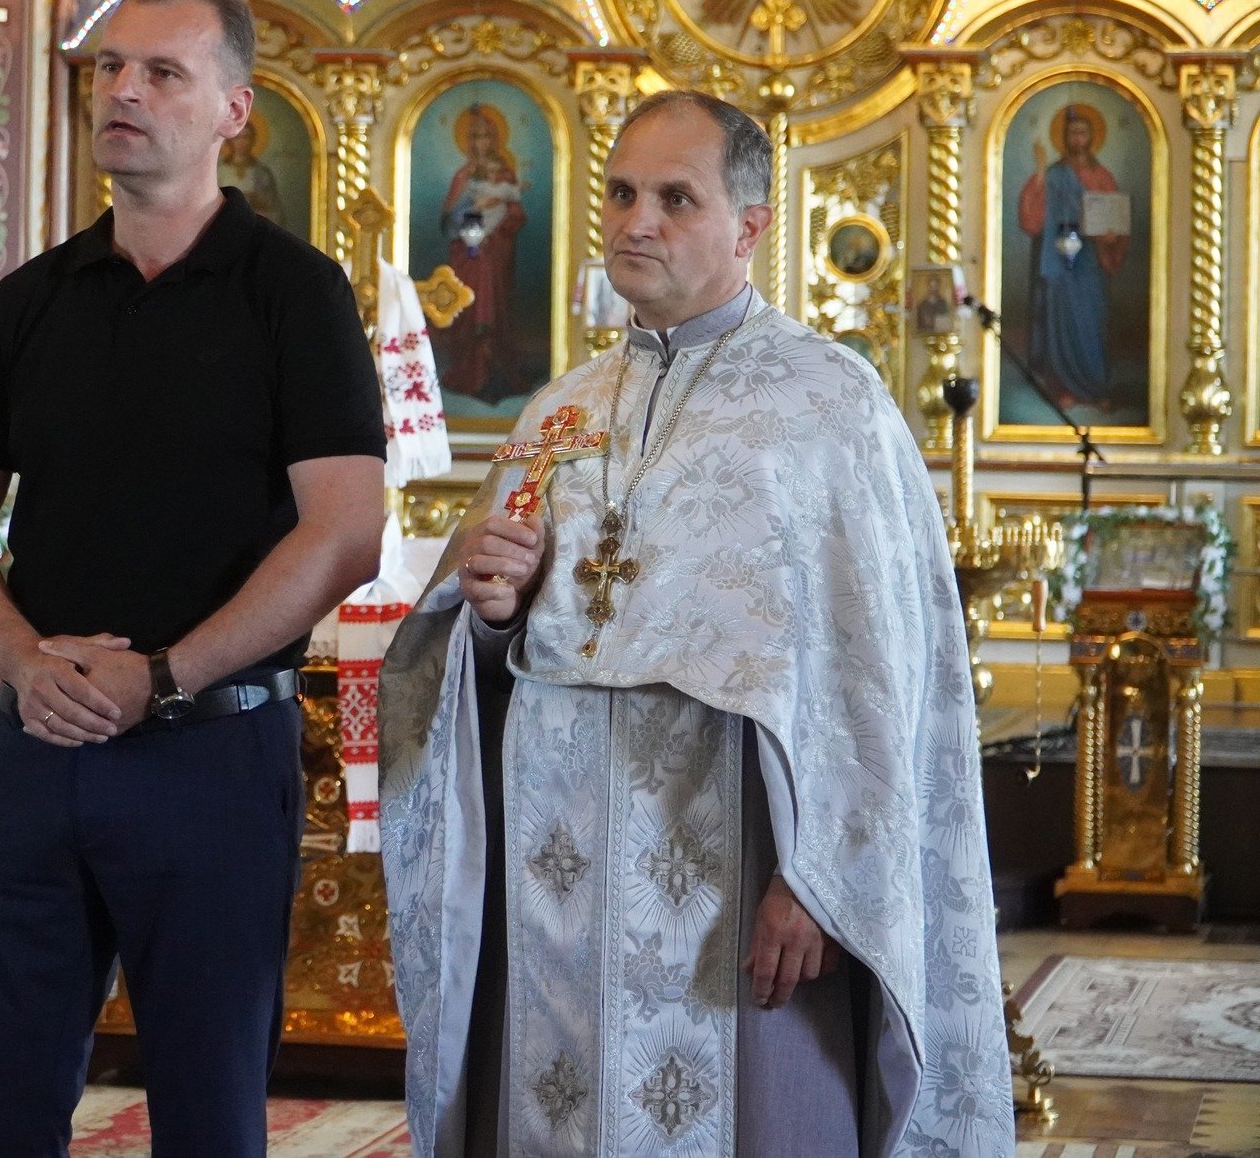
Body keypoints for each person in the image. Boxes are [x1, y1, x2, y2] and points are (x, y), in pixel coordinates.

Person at [379, 91, 1012, 1156]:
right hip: (556, 880)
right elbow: (483, 637)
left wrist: (819, 879)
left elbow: (875, 678)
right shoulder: (560, 409)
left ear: (749, 225)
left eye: (676, 198)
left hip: (734, 865)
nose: (638, 221)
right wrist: (488, 609)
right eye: (622, 193)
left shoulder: (828, 404)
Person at [0, 0, 387, 1157]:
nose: (121, 90)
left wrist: (164, 677)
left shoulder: (295, 297)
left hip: (209, 753)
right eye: (109, 68)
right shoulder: (29, 300)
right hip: (38, 746)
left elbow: (343, 530)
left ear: (234, 110)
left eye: (161, 72)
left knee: (206, 1110)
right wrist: (21, 662)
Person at [1020, 105, 1128, 411]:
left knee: (1091, 322)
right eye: (1072, 133)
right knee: (1060, 320)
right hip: (1059, 261)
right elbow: (1032, 219)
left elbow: (1115, 216)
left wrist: (1112, 236)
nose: (1077, 138)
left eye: (1082, 132)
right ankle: (1063, 386)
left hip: (1091, 262)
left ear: (1092, 137)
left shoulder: (1101, 176)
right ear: (1064, 138)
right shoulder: (1054, 174)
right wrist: (1041, 170)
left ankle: (1096, 387)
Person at [435, 104, 529, 404]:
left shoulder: (504, 175)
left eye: (486, 136)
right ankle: (469, 372)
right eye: (475, 137)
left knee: (494, 311)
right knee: (468, 309)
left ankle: (495, 372)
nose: (481, 143)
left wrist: (497, 229)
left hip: (496, 253)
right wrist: (470, 216)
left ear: (495, 140)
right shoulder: (462, 176)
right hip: (467, 253)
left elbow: (517, 214)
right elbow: (447, 218)